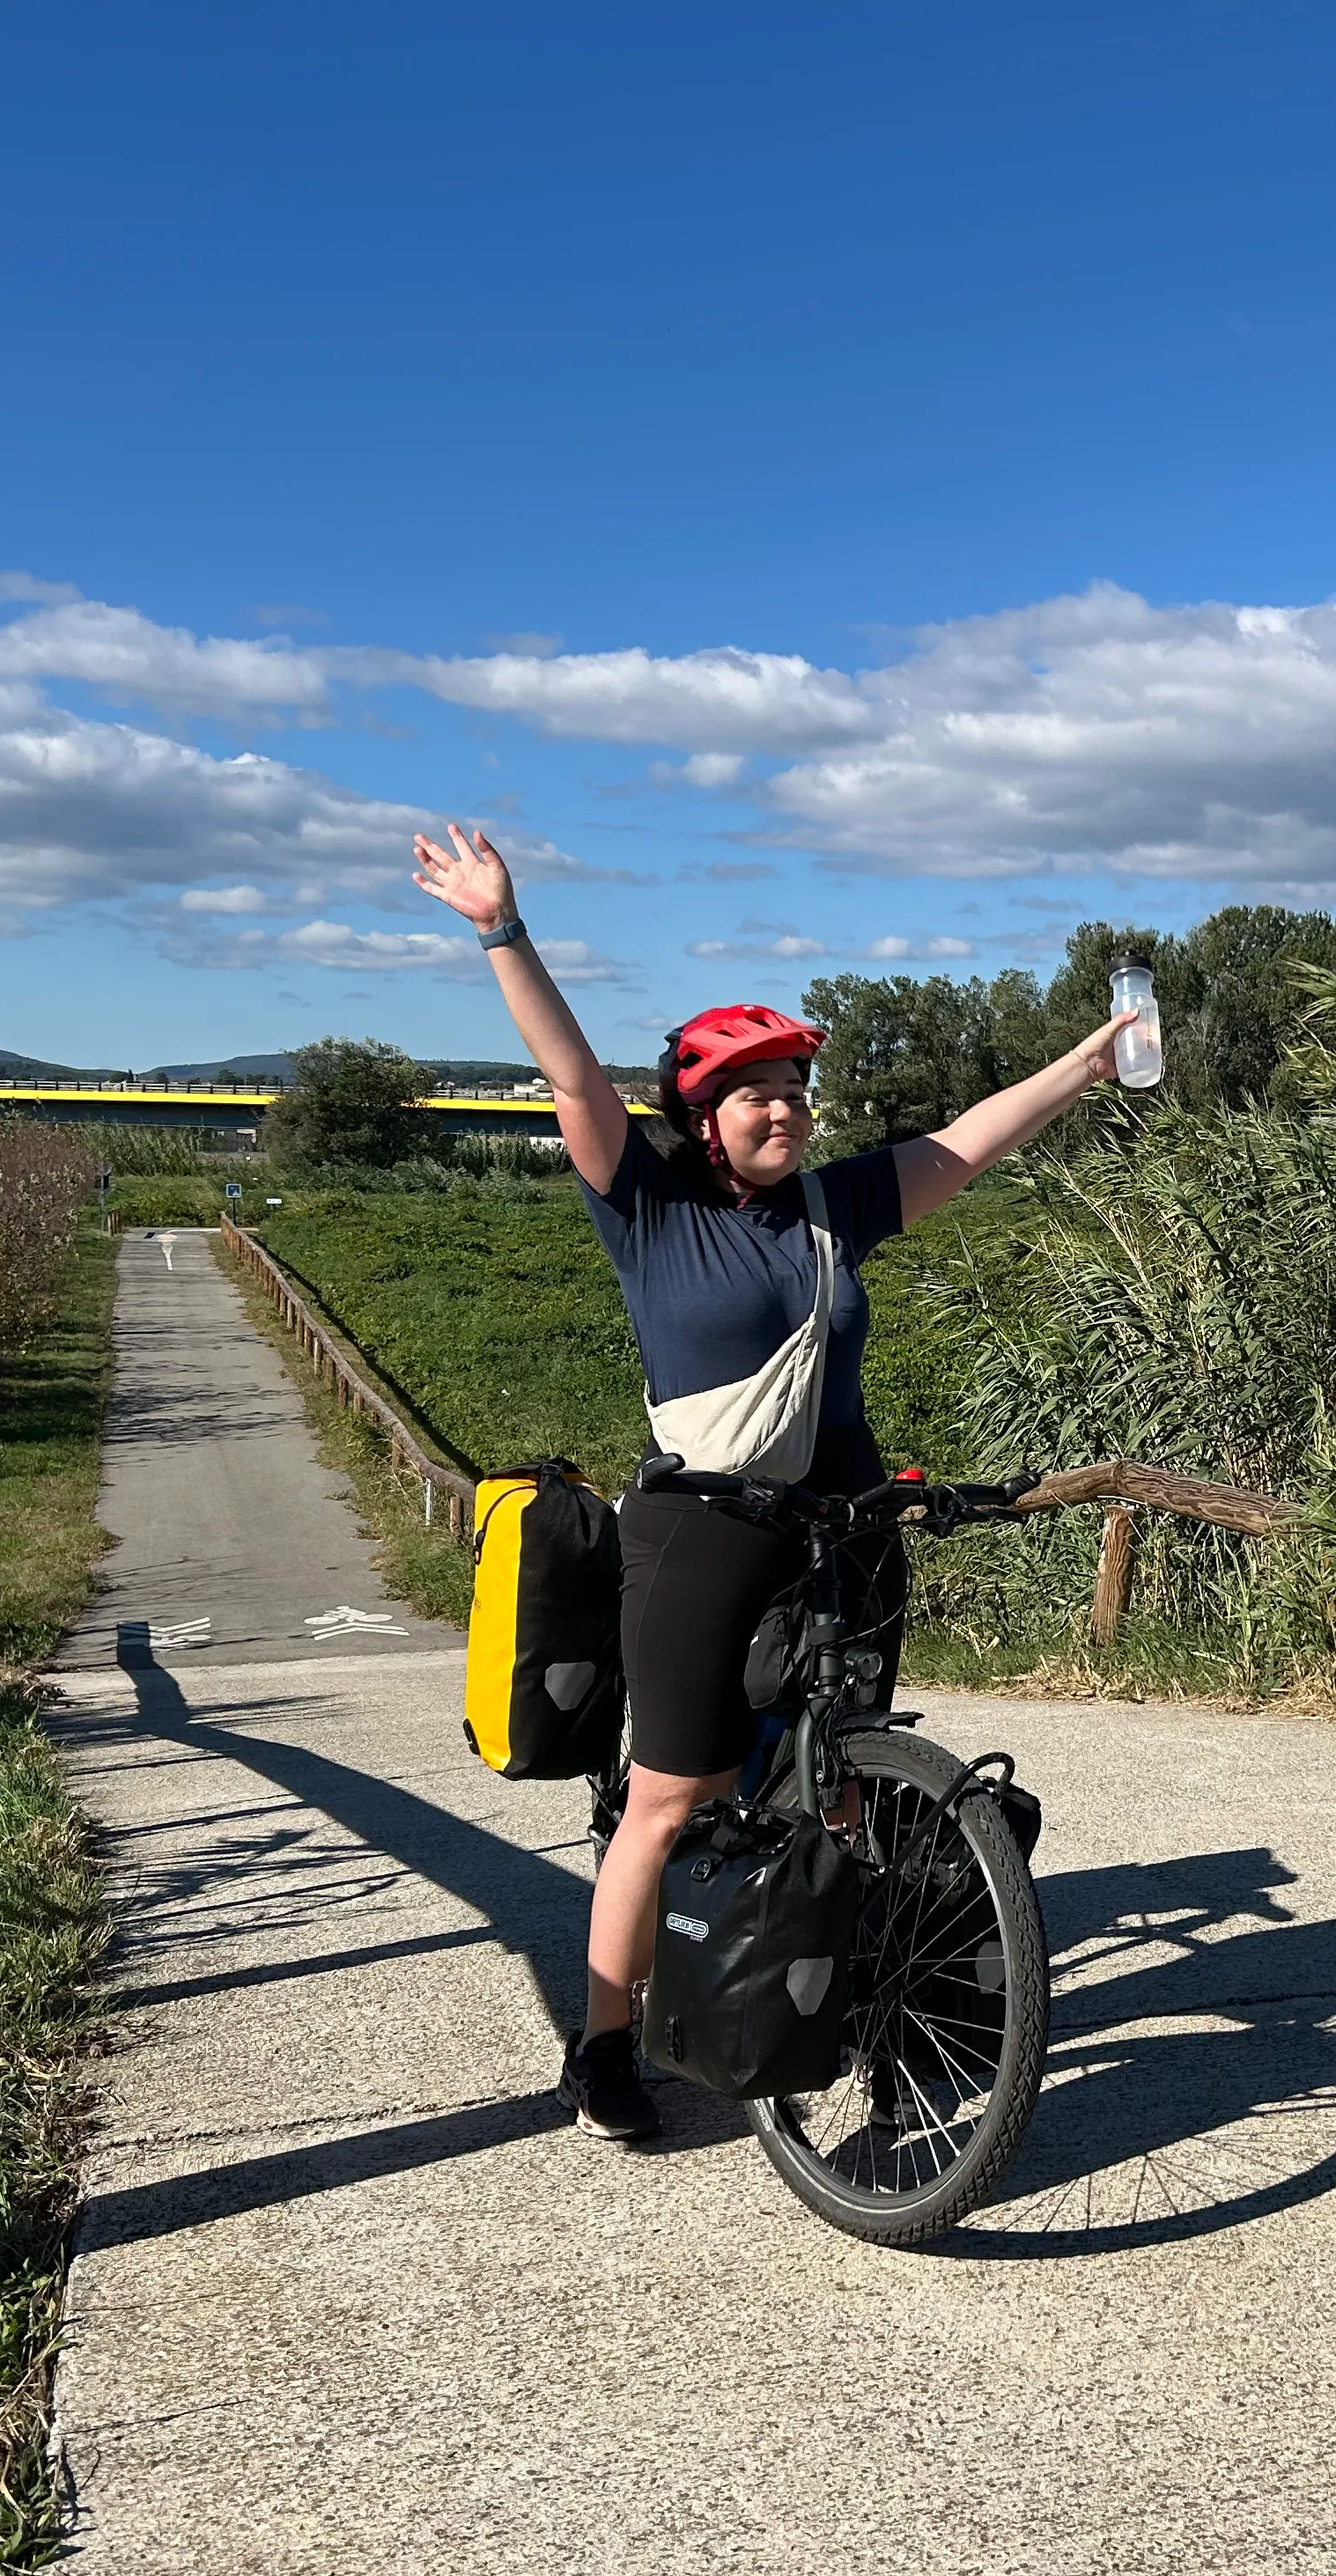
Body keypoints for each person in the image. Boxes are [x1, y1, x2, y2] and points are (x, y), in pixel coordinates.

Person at [411, 823, 1128, 2141]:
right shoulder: (649, 1206)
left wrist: (1086, 1064)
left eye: (795, 1087)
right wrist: (501, 928)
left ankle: (849, 2006)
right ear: (703, 1113)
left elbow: (969, 1144)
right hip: (700, 1526)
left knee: (851, 1784)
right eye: (756, 1092)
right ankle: (609, 2048)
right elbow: (569, 1076)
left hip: (840, 1523)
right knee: (675, 1791)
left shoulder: (831, 1209)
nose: (784, 1108)